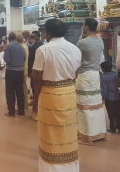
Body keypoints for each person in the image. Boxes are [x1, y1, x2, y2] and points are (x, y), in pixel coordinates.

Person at [32, 18, 81, 172]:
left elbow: (36, 77)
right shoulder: (75, 49)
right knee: (68, 130)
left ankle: (51, 168)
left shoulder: (44, 50)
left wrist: (36, 97)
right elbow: (76, 73)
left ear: (48, 33)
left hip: (49, 95)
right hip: (69, 93)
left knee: (50, 132)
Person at [76, 18, 106, 146]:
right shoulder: (100, 40)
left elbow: (74, 56)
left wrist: (79, 41)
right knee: (96, 104)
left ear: (86, 27)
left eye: (83, 25)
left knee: (84, 105)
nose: (82, 27)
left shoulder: (83, 42)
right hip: (95, 75)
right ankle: (99, 132)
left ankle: (88, 137)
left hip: (85, 75)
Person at [4, 32, 25, 117]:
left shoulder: (9, 47)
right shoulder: (21, 46)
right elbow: (24, 58)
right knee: (20, 91)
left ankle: (11, 111)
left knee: (10, 92)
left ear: (9, 38)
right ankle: (21, 111)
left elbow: (7, 59)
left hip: (11, 71)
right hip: (20, 71)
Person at [100, 61, 120, 133]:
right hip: (117, 96)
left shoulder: (103, 77)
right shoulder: (115, 75)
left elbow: (104, 89)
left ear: (102, 69)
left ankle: (113, 128)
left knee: (111, 113)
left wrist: (103, 98)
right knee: (117, 112)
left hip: (109, 98)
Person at [28, 33, 43, 121]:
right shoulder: (36, 45)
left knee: (35, 89)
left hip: (35, 71)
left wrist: (32, 71)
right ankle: (35, 103)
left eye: (30, 39)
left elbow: (33, 60)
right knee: (34, 89)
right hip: (34, 70)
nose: (28, 40)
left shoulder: (37, 46)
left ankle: (36, 108)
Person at [16, 34, 29, 110]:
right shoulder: (24, 46)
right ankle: (24, 104)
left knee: (22, 88)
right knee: (23, 87)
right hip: (24, 68)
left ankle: (23, 105)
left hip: (22, 69)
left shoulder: (22, 47)